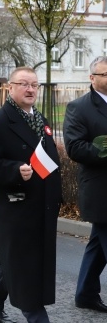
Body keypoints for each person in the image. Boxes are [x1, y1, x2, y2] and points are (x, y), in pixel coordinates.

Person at [0, 66, 62, 323]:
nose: (30, 89)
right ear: (9, 88)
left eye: (34, 85)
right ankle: (36, 316)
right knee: (24, 265)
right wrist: (14, 170)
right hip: (16, 206)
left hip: (42, 204)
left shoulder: (40, 119)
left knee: (18, 258)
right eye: (23, 84)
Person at [63, 55, 107, 313]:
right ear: (92, 78)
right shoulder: (79, 107)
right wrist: (103, 150)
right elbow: (74, 148)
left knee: (96, 247)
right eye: (105, 74)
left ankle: (85, 294)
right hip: (100, 189)